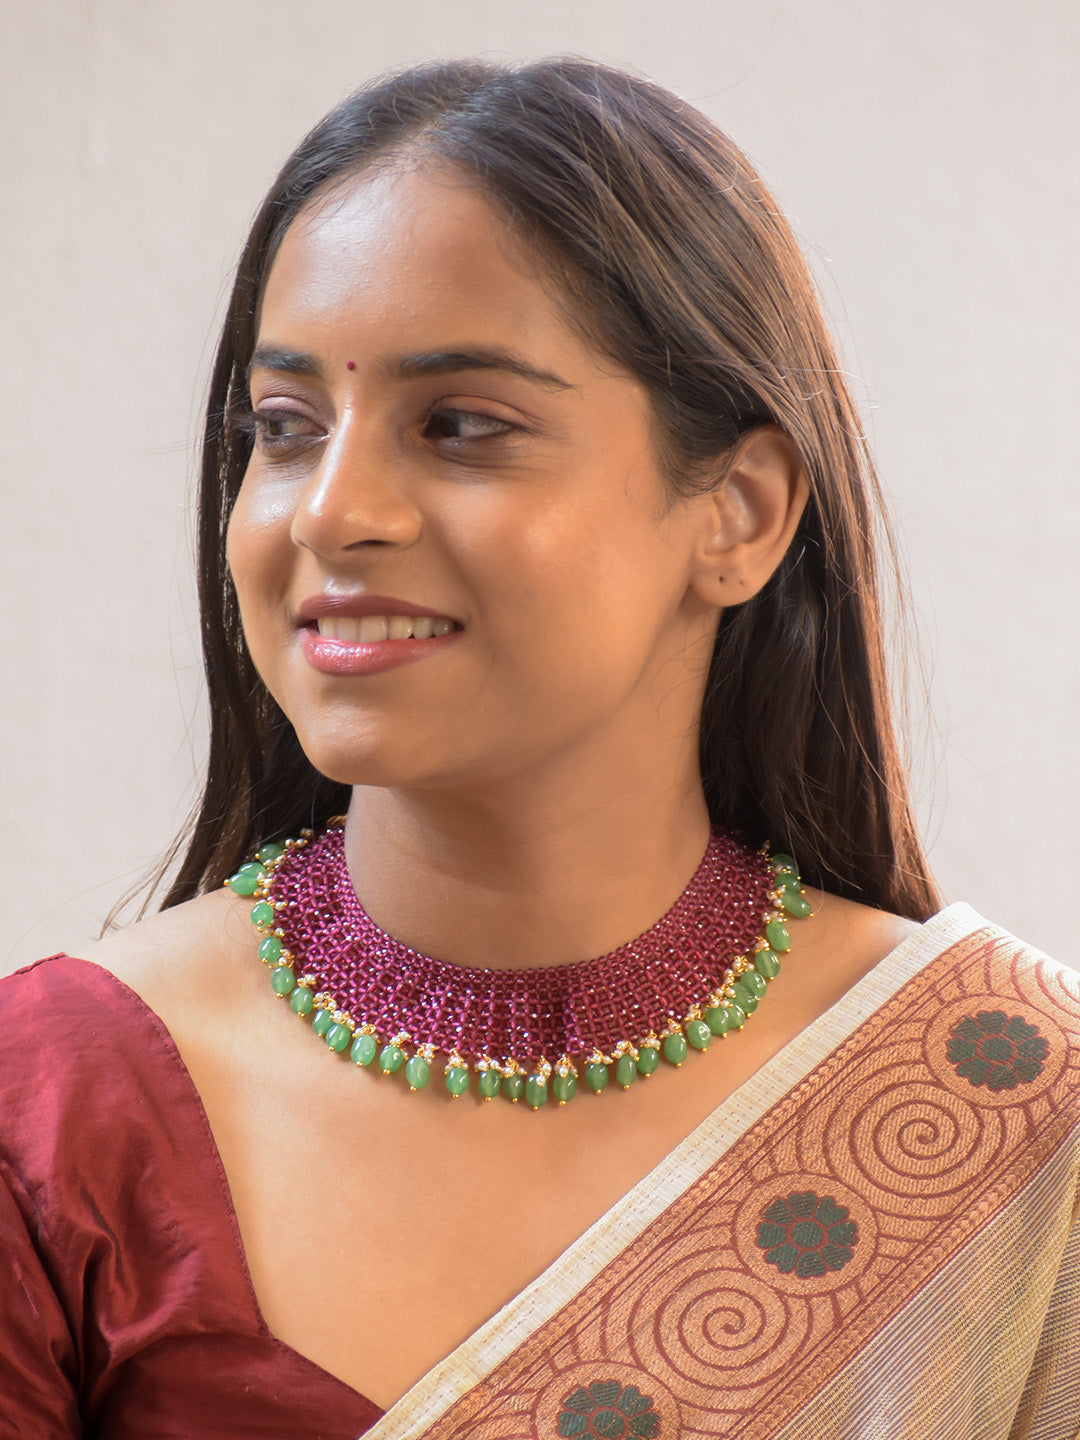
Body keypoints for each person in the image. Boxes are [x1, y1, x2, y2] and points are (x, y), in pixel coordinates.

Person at [2, 56, 1077, 1439]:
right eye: (284, 429)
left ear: (739, 512)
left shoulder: (1003, 1108)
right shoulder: (61, 1114)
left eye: (460, 426)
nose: (331, 512)